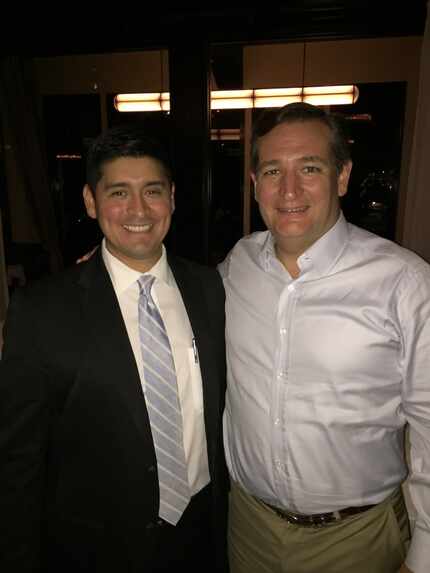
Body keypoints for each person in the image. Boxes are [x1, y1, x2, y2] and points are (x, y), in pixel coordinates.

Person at [0, 125, 228, 573]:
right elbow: (17, 461)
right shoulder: (41, 309)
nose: (138, 209)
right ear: (90, 201)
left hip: (202, 534)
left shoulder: (209, 288)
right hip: (94, 547)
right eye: (118, 192)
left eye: (153, 191)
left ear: (173, 198)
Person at [219, 102, 430, 573]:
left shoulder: (404, 282)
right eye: (273, 170)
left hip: (358, 540)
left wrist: (423, 557)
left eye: (309, 168)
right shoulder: (237, 266)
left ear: (342, 176)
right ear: (255, 184)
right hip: (249, 528)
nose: (289, 189)